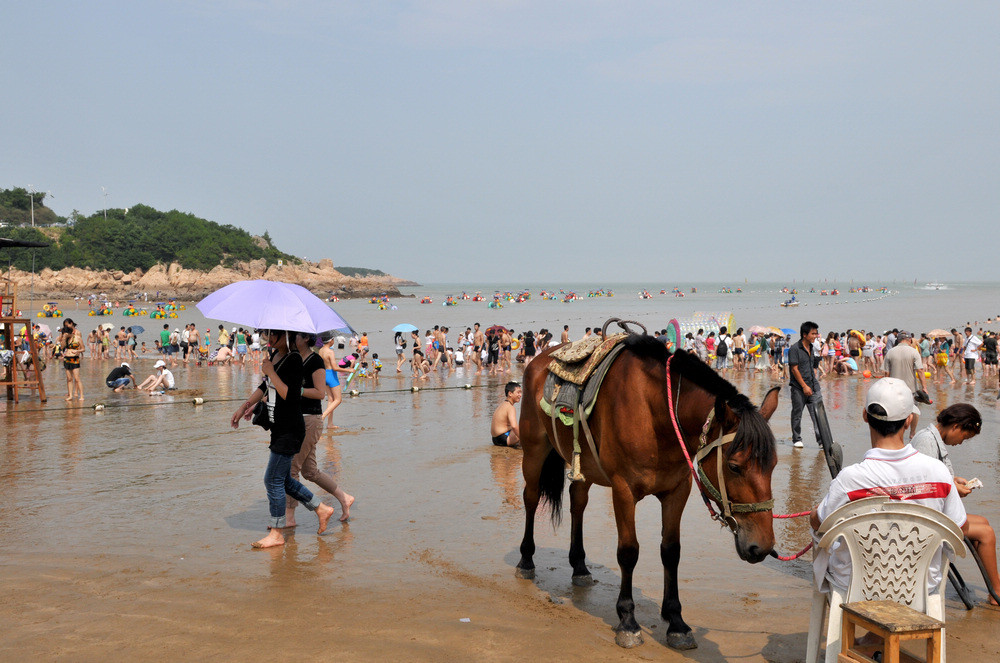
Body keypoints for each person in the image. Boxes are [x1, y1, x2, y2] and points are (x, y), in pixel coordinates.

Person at [810, 378, 968, 601]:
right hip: (921, 586)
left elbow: (818, 523)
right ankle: (875, 637)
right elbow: (960, 527)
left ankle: (863, 634)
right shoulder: (939, 473)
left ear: (865, 416)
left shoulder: (850, 480)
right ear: (909, 420)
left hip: (856, 586)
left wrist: (816, 511)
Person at [230, 329, 336, 549]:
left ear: (283, 335)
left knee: (272, 480)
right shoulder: (276, 356)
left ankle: (277, 532)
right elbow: (264, 387)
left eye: (271, 333)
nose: (267, 337)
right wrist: (245, 407)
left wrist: (271, 372)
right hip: (278, 426)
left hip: (291, 427)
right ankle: (321, 509)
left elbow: (289, 393)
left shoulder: (294, 358)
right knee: (284, 479)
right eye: (266, 333)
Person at [911, 404, 999, 605]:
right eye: (964, 437)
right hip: (925, 518)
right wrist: (952, 489)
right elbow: (922, 486)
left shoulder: (931, 438)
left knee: (984, 522)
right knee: (987, 533)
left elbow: (931, 477)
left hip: (931, 513)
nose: (961, 443)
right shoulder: (926, 441)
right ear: (956, 427)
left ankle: (993, 586)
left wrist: (953, 481)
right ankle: (997, 591)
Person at [285, 331, 354, 525]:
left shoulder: (314, 360)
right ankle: (344, 497)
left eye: (295, 337)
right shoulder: (296, 358)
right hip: (301, 418)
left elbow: (320, 393)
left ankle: (289, 517)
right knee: (310, 471)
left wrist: (295, 390)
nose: (291, 341)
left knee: (291, 469)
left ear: (306, 338)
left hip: (309, 420)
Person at [883, 332, 927, 438]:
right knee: (914, 410)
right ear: (910, 340)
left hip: (894, 388)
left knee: (896, 410)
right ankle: (912, 433)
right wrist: (924, 388)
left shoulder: (890, 352)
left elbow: (886, 373)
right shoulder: (914, 352)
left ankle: (898, 432)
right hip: (910, 388)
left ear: (898, 340)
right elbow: (920, 371)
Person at [789, 321, 822, 450]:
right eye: (813, 333)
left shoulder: (812, 348)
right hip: (799, 388)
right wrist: (804, 386)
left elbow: (812, 365)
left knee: (818, 414)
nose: (816, 336)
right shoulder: (794, 349)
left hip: (813, 386)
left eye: (816, 333)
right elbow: (794, 369)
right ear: (804, 334)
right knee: (797, 413)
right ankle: (797, 438)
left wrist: (813, 381)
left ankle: (821, 440)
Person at [59, 318, 84, 401]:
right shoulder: (65, 336)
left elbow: (81, 347)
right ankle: (70, 394)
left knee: (76, 377)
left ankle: (77, 393)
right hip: (67, 357)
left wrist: (78, 352)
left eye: (67, 325)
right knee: (69, 378)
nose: (66, 326)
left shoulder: (77, 334)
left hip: (75, 357)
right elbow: (62, 347)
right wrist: (63, 337)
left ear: (71, 323)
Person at [490, 381, 522, 447]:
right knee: (524, 427)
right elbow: (514, 426)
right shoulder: (510, 407)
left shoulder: (502, 405)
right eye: (518, 392)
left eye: (521, 393)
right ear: (510, 393)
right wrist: (522, 440)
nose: (520, 395)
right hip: (504, 439)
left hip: (495, 439)